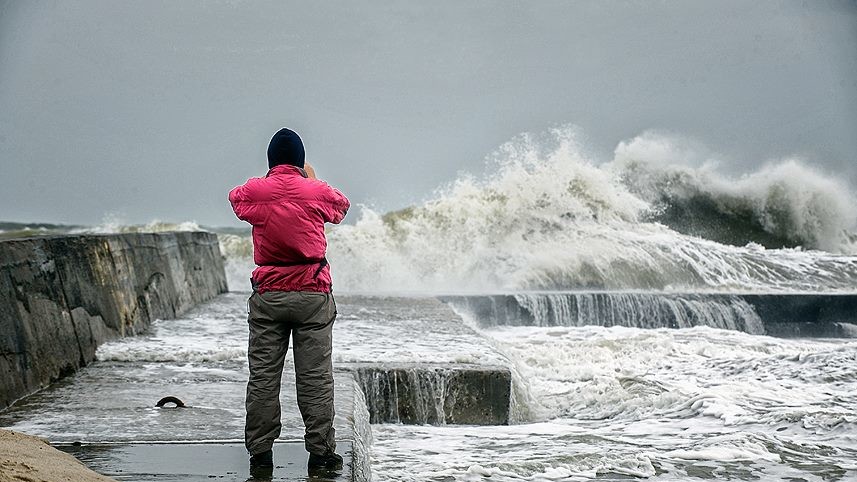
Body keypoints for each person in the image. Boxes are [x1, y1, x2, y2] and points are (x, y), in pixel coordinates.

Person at [228, 128, 349, 475]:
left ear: (271, 161)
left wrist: (268, 181)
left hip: (269, 295)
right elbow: (341, 206)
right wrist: (311, 179)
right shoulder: (315, 190)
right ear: (300, 160)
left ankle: (261, 455)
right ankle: (321, 454)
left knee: (263, 377)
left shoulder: (256, 191)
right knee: (315, 378)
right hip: (312, 294)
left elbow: (236, 199)